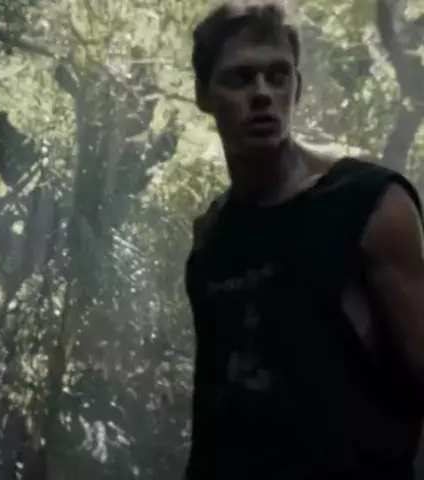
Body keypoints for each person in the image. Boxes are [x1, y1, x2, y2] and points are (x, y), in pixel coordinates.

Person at [184, 1, 424, 479]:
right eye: (240, 78)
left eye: (278, 76)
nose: (262, 93)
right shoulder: (211, 235)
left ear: (297, 86)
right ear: (203, 94)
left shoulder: (368, 204)